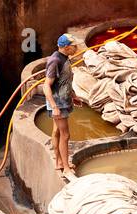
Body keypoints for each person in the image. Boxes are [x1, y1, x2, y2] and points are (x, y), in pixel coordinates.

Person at [44, 34, 78, 174]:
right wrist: (54, 107)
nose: (76, 48)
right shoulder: (55, 60)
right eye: (74, 46)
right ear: (66, 47)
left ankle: (59, 162)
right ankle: (66, 168)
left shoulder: (64, 58)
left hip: (64, 100)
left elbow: (65, 81)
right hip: (59, 104)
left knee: (57, 131)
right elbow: (46, 86)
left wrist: (73, 95)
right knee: (65, 135)